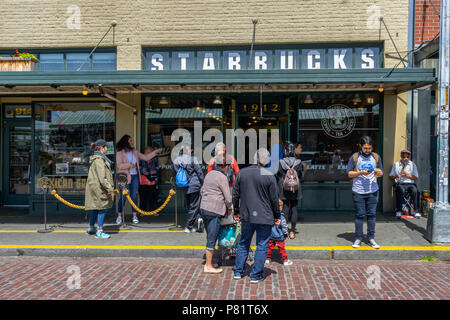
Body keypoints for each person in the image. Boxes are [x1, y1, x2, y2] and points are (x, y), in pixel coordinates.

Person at [232, 148, 281, 283]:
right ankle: (255, 275)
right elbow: (274, 199)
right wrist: (277, 215)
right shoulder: (269, 175)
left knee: (243, 242)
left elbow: (235, 195)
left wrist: (236, 211)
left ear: (254, 159)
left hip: (247, 214)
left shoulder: (242, 173)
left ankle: (238, 271)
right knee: (262, 245)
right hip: (265, 216)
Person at [116, 135, 162, 224]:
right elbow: (119, 165)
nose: (132, 142)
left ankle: (134, 216)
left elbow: (146, 157)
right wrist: (129, 165)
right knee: (123, 197)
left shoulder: (134, 152)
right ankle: (119, 216)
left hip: (135, 177)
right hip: (124, 177)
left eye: (132, 140)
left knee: (134, 197)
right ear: (126, 142)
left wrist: (155, 152)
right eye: (130, 141)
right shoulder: (120, 152)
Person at [347, 136, 383, 249]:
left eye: (369, 148)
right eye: (365, 148)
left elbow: (381, 172)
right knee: (360, 215)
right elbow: (348, 173)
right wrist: (360, 173)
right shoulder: (355, 157)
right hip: (358, 190)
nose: (367, 150)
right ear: (361, 147)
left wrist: (378, 173)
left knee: (372, 215)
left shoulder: (376, 157)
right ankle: (358, 238)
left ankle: (371, 237)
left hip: (373, 190)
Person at [200, 153, 233, 274]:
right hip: (214, 210)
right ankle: (208, 266)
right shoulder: (222, 177)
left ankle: (209, 262)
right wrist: (230, 208)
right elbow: (228, 198)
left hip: (204, 208)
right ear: (225, 166)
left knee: (210, 236)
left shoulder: (209, 174)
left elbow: (202, 190)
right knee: (212, 238)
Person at [85, 139, 115, 239]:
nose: (107, 148)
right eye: (106, 146)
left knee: (95, 208)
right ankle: (99, 231)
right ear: (102, 148)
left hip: (95, 188)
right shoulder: (99, 160)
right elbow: (102, 178)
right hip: (100, 189)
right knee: (102, 208)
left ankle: (91, 228)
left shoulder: (97, 158)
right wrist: (109, 188)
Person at [172, 144, 205, 233]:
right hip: (195, 185)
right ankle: (188, 226)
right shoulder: (193, 159)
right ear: (188, 151)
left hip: (184, 186)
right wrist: (203, 183)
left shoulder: (176, 160)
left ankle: (198, 221)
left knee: (191, 206)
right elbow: (199, 173)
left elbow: (174, 173)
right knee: (194, 206)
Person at [276, 142, 303, 239]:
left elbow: (278, 176)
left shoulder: (281, 162)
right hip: (295, 189)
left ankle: (285, 232)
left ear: (286, 151)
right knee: (294, 209)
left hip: (284, 189)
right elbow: (300, 176)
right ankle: (292, 232)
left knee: (285, 210)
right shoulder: (298, 162)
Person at [389, 149, 420, 218]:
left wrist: (406, 175)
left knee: (415, 191)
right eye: (404, 157)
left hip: (410, 183)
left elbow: (416, 177)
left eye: (407, 157)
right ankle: (398, 211)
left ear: (409, 157)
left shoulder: (412, 164)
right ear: (401, 156)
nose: (405, 158)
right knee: (400, 190)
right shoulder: (396, 164)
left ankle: (416, 211)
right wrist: (396, 176)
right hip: (400, 183)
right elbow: (390, 176)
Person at [265, 199, 293, 266]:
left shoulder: (270, 216)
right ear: (280, 208)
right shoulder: (282, 217)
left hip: (271, 235)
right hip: (279, 236)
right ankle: (285, 260)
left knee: (269, 248)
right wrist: (286, 234)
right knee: (282, 249)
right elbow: (284, 227)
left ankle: (268, 259)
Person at [139, 146, 160, 214]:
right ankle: (142, 211)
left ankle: (153, 211)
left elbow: (157, 168)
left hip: (153, 181)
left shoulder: (155, 159)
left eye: (151, 152)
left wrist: (153, 171)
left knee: (153, 197)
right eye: (148, 152)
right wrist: (149, 172)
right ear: (144, 153)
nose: (149, 153)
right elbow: (140, 169)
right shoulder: (141, 160)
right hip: (144, 182)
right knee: (143, 198)